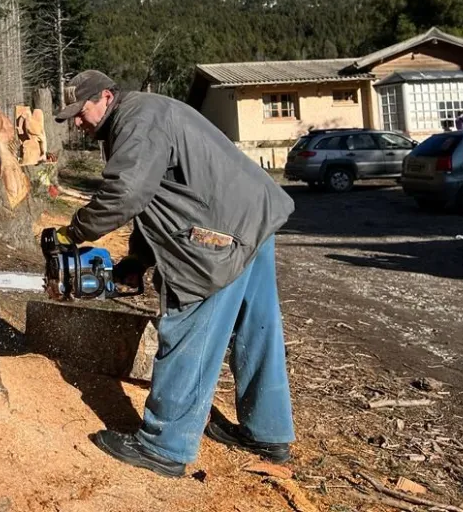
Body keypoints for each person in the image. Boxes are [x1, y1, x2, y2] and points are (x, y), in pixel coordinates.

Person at [53, 70, 296, 478]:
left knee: (189, 326)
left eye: (81, 111)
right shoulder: (141, 114)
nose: (77, 121)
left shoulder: (135, 120)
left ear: (106, 96)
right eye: (71, 116)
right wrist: (137, 260)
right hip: (252, 216)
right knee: (255, 327)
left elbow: (126, 194)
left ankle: (165, 446)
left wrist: (73, 231)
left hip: (223, 231)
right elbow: (158, 201)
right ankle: (266, 432)